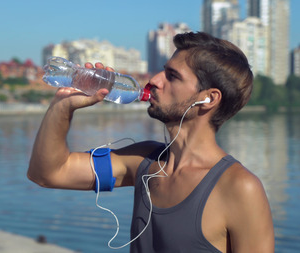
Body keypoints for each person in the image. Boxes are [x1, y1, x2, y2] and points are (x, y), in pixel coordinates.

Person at [28, 32, 274, 253]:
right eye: (162, 70)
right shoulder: (143, 162)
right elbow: (48, 174)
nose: (154, 80)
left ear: (209, 98)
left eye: (172, 76)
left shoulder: (240, 187)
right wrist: (63, 105)